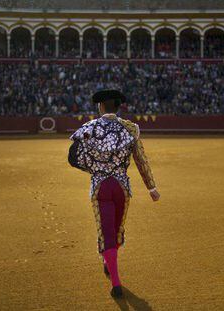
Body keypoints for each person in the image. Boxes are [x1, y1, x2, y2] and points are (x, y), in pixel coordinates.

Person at [68, 89, 160, 298]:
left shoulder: (88, 128)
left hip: (101, 186)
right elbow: (141, 160)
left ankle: (115, 283)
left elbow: (74, 158)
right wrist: (151, 188)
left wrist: (94, 168)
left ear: (100, 106)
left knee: (106, 232)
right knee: (117, 231)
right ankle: (109, 262)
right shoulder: (130, 128)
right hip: (121, 187)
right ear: (119, 107)